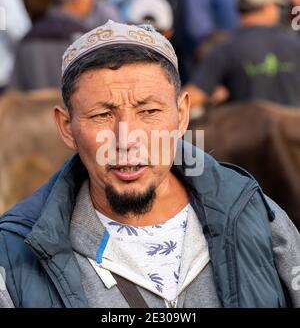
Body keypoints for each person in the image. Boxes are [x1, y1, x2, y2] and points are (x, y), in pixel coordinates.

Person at [0, 20, 299, 308]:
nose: (127, 139)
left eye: (149, 111)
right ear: (67, 127)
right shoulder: (13, 257)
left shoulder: (257, 218)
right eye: (102, 116)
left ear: (182, 116)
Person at [185, 0, 300, 109]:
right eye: (277, 6)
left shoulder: (225, 49)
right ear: (267, 8)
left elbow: (192, 97)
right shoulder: (295, 45)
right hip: (293, 126)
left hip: (244, 126)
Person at [10, 0, 95, 90]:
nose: (92, 1)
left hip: (35, 104)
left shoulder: (29, 38)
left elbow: (14, 91)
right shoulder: (86, 40)